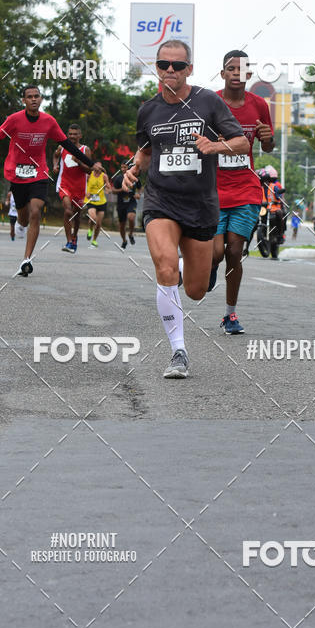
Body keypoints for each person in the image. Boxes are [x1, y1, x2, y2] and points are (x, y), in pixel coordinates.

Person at [122, 39, 249, 378]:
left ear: (189, 69)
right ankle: (178, 351)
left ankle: (193, 265)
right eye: (164, 64)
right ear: (157, 67)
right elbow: (146, 151)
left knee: (194, 291)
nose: (170, 71)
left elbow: (242, 142)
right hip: (161, 200)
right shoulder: (148, 110)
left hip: (201, 206)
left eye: (178, 66)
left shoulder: (207, 102)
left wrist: (216, 145)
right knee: (164, 267)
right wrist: (134, 171)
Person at [0, 85, 92, 276]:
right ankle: (21, 226)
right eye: (29, 97)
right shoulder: (14, 120)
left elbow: (67, 145)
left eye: (36, 96)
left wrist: (92, 163)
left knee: (36, 211)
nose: (33, 99)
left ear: (41, 99)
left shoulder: (48, 121)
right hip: (17, 173)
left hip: (38, 173)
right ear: (24, 101)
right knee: (23, 219)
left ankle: (26, 259)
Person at [208, 50, 274, 334]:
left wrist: (269, 139)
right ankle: (206, 266)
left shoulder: (259, 105)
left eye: (242, 69)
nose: (236, 73)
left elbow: (267, 147)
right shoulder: (209, 101)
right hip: (212, 187)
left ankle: (229, 315)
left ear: (249, 74)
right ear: (222, 73)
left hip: (246, 186)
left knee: (235, 250)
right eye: (230, 68)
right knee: (215, 255)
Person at [53, 123, 91, 253]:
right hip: (64, 184)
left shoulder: (85, 150)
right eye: (70, 134)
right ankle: (69, 241)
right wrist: (55, 165)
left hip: (79, 187)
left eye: (75, 134)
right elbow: (56, 155)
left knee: (76, 215)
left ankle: (74, 238)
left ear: (80, 135)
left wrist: (79, 162)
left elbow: (90, 170)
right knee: (68, 211)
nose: (72, 136)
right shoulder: (62, 147)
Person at [111, 161, 141, 248]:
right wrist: (122, 189)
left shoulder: (134, 177)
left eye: (125, 167)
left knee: (131, 217)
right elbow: (113, 190)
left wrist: (138, 194)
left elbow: (139, 188)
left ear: (129, 168)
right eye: (122, 167)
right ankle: (124, 240)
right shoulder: (118, 179)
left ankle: (131, 234)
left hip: (131, 202)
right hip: (121, 204)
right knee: (122, 225)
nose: (123, 169)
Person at [85, 161, 111, 247]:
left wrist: (107, 190)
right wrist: (86, 192)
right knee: (93, 217)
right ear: (94, 167)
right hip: (91, 200)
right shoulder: (89, 174)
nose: (99, 169)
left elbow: (108, 186)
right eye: (97, 167)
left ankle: (94, 240)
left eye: (100, 168)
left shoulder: (104, 176)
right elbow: (84, 184)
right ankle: (90, 230)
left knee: (99, 223)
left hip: (101, 202)